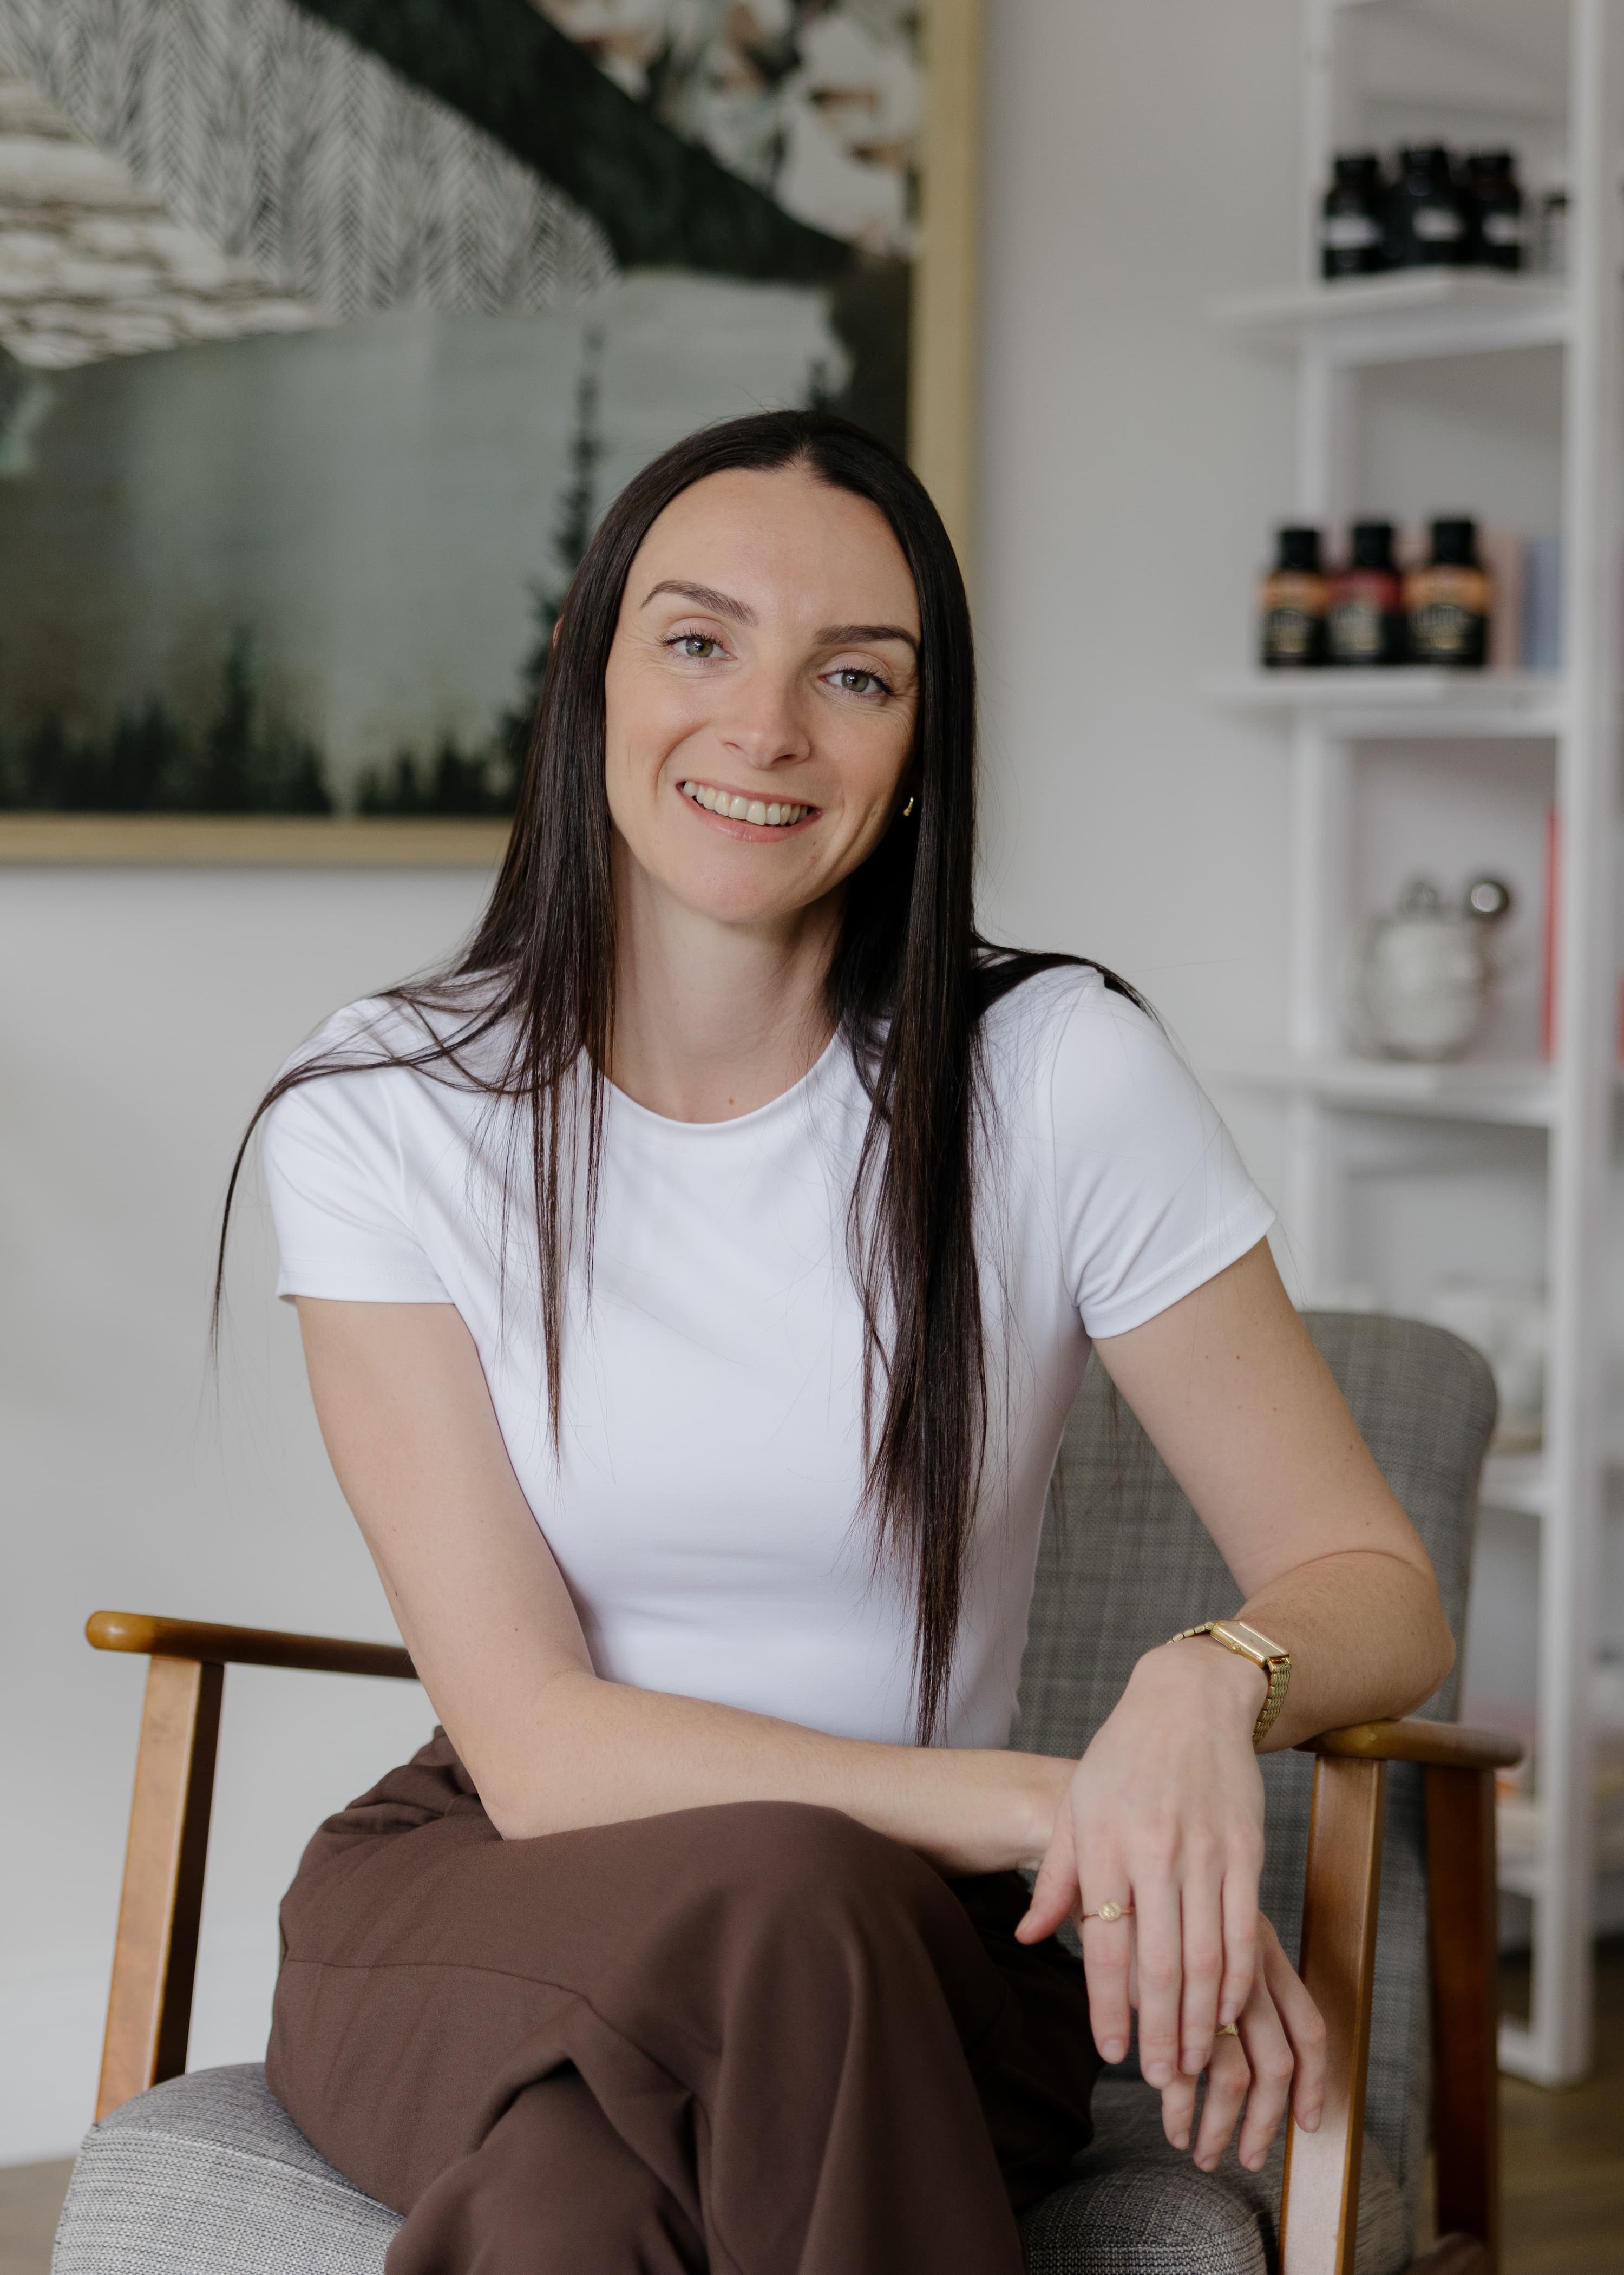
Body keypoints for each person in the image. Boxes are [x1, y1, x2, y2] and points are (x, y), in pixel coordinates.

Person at [232, 410, 1455, 2274]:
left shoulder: (1052, 1080)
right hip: (482, 1898)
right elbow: (543, 1755)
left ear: (919, 741)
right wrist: (1067, 1806)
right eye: (700, 641)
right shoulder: (387, 1107)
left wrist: (1203, 1687)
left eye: (855, 674)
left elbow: (1376, 1583)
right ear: (591, 673)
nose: (767, 729)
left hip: (930, 1963)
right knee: (789, 1893)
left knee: (574, 2203)